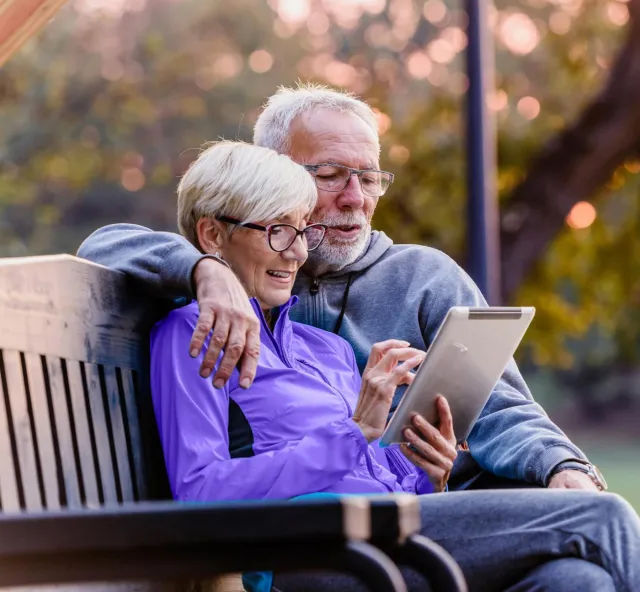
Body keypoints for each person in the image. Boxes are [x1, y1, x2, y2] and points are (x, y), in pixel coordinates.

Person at [151, 139, 640, 592]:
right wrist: (355, 430)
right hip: (308, 550)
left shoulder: (326, 348)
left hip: (379, 534)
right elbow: (200, 493)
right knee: (601, 517)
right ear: (213, 234)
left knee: (573, 579)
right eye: (278, 231)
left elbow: (367, 472)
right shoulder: (191, 334)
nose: (297, 252)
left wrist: (424, 468)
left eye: (302, 230)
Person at [78, 83, 600, 493]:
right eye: (330, 174)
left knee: (581, 557)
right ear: (277, 178)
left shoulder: (423, 277)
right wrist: (203, 271)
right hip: (334, 535)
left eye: (368, 177)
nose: (355, 198)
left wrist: (563, 467)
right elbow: (105, 244)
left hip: (441, 500)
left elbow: (501, 406)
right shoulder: (242, 265)